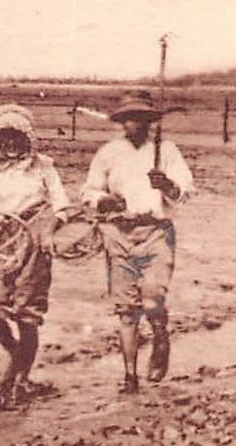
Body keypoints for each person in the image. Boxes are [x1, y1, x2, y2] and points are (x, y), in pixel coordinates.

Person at [82, 91, 194, 395]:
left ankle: (160, 334)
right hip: (119, 235)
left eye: (142, 118)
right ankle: (130, 377)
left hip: (156, 231)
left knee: (152, 301)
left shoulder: (165, 150)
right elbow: (89, 192)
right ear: (121, 122)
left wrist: (166, 185)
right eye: (130, 118)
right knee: (127, 311)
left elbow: (185, 191)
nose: (136, 124)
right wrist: (104, 200)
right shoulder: (108, 153)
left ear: (149, 121)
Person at [0, 104, 72, 409]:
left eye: (16, 138)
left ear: (26, 139)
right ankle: (19, 355)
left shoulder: (43, 166)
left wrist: (49, 230)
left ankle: (14, 382)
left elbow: (61, 205)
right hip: (0, 244)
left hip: (34, 242)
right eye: (3, 139)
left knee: (26, 316)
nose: (10, 145)